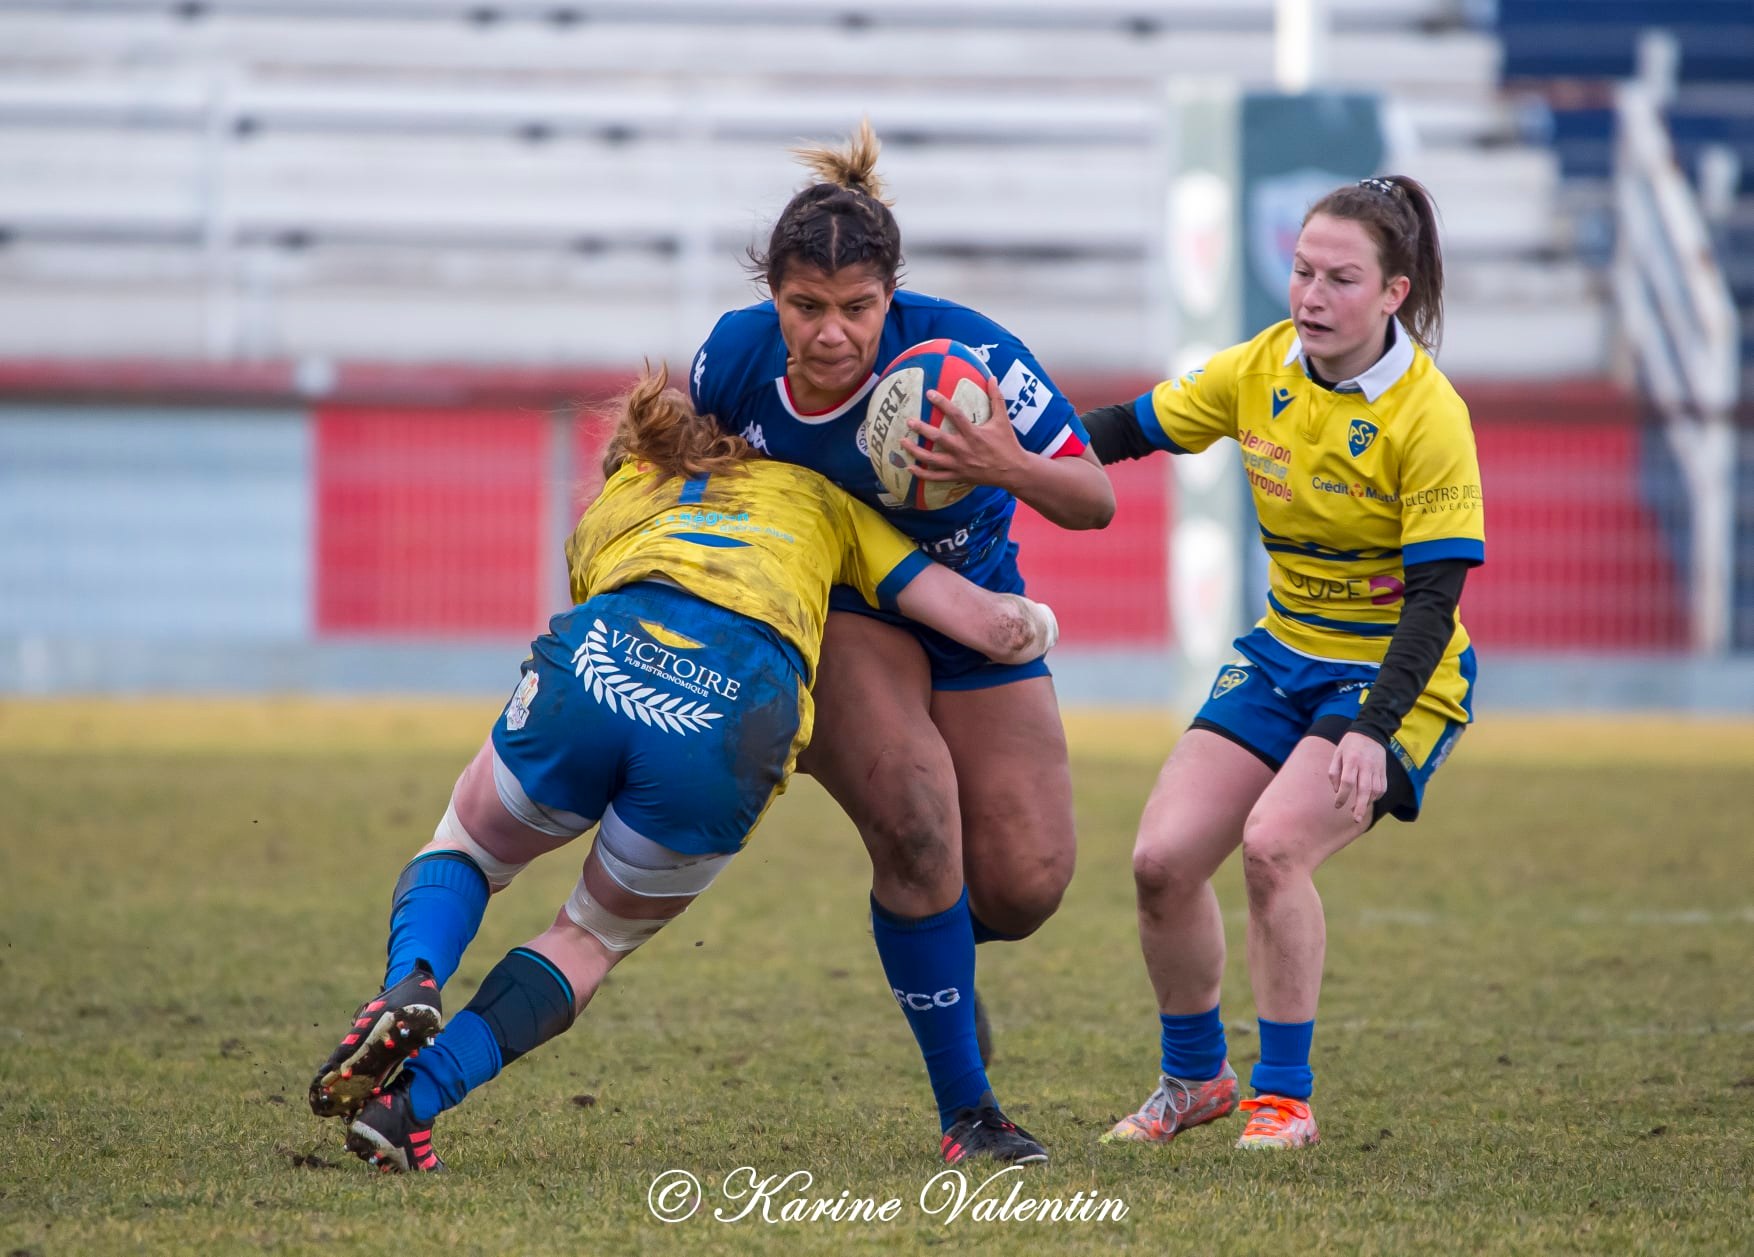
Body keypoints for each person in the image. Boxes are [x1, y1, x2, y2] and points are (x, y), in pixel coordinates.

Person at [305, 365, 1061, 1173]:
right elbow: (996, 628)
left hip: (600, 659)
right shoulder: (822, 498)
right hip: (736, 710)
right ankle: (411, 1103)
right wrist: (1040, 621)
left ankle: (411, 977)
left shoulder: (624, 491)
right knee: (588, 937)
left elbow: (597, 592)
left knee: (467, 847)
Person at [688, 122, 1115, 1165]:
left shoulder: (973, 355)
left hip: (973, 608)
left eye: (857, 307)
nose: (831, 333)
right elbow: (683, 466)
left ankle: (931, 946)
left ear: (892, 295)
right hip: (847, 615)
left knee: (1025, 884)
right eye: (806, 307)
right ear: (772, 297)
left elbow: (1092, 498)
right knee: (920, 827)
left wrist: (1004, 462)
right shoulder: (734, 358)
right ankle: (970, 1113)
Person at [1082, 176, 1483, 1150]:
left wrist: (1372, 729)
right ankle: (1194, 1082)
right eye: (1301, 271)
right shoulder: (1259, 366)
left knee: (1273, 846)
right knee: (1160, 862)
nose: (1311, 295)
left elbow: (1433, 603)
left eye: (1340, 279)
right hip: (1282, 653)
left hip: (1393, 673)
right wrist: (1001, 450)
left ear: (1392, 293)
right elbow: (1122, 431)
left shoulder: (1428, 415)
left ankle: (1282, 1100)